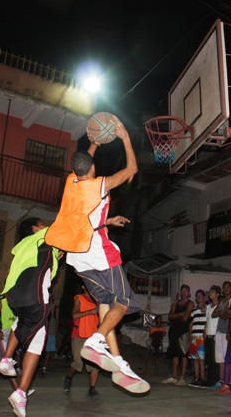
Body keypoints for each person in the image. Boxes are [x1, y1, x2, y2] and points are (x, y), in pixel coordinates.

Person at [45, 114, 148, 394]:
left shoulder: (72, 183)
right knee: (124, 301)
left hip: (77, 257)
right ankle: (96, 339)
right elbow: (131, 171)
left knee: (106, 301)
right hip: (98, 250)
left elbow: (83, 164)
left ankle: (117, 360)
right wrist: (125, 137)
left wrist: (94, 144)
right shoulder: (97, 185)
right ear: (91, 170)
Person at [0, 217, 61, 417]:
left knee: (21, 322)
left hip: (15, 297)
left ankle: (6, 359)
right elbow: (66, 224)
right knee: (37, 342)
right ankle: (21, 392)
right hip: (35, 296)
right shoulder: (44, 238)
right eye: (41, 224)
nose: (45, 226)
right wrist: (106, 220)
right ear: (35, 228)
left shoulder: (24, 246)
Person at [0, 295, 33, 400]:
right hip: (3, 333)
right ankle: (19, 391)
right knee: (7, 363)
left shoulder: (18, 300)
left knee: (0, 362)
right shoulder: (2, 301)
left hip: (13, 333)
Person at [63, 283, 101, 399]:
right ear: (83, 286)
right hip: (79, 335)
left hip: (93, 336)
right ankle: (68, 378)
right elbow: (74, 315)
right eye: (87, 285)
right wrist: (91, 311)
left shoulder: (98, 301)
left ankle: (92, 389)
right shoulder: (79, 298)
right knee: (78, 362)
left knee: (95, 364)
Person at [163, 284, 194, 386]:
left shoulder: (190, 303)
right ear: (180, 292)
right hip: (174, 330)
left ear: (189, 293)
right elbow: (169, 317)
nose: (184, 292)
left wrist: (177, 316)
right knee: (174, 354)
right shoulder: (175, 303)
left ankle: (182, 378)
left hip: (183, 331)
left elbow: (186, 318)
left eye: (186, 291)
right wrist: (180, 314)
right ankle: (174, 376)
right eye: (182, 291)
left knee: (183, 354)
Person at [210, 281, 231, 390]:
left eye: (228, 287)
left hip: (226, 333)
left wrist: (222, 313)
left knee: (227, 358)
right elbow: (214, 314)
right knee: (220, 359)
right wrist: (222, 312)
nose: (226, 289)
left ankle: (229, 381)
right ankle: (221, 380)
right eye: (224, 287)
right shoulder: (222, 301)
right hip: (219, 332)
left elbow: (226, 316)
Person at [188, 289, 208, 388]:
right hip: (194, 337)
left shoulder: (207, 309)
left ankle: (203, 378)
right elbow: (191, 323)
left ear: (204, 297)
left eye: (201, 295)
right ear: (195, 298)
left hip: (201, 336)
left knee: (202, 359)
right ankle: (197, 377)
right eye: (197, 295)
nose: (199, 297)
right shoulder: (194, 310)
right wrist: (190, 334)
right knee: (195, 358)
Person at [203, 285, 221, 387]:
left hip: (216, 336)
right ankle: (210, 379)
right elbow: (207, 321)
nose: (210, 294)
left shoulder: (220, 305)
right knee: (209, 359)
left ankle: (216, 379)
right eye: (210, 292)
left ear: (218, 294)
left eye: (213, 292)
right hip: (209, 335)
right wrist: (204, 332)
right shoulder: (209, 307)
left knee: (215, 360)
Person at [41, 290, 59, 376]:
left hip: (50, 328)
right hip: (42, 329)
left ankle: (44, 366)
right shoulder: (42, 305)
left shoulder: (55, 307)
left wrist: (55, 330)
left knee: (48, 349)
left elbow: (57, 320)